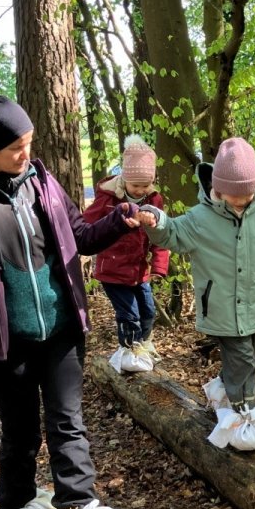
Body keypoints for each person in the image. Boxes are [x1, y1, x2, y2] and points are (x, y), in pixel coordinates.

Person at [0, 94, 147, 509]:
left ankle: (79, 503)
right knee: (22, 430)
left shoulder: (42, 181)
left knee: (68, 421)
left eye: (28, 143)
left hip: (62, 328)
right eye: (16, 148)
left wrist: (119, 219)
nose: (25, 154)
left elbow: (82, 237)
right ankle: (17, 504)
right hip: (5, 339)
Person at [140, 136, 255, 450]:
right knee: (242, 361)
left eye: (248, 194)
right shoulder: (200, 220)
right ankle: (244, 416)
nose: (242, 201)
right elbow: (172, 233)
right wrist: (156, 220)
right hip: (220, 308)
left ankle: (221, 390)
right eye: (235, 195)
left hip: (253, 309)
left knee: (247, 355)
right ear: (218, 187)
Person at [83, 134, 169, 367]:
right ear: (124, 179)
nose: (141, 190)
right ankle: (129, 352)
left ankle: (143, 344)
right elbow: (86, 226)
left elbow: (162, 234)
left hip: (139, 269)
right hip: (112, 269)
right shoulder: (108, 199)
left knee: (148, 311)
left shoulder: (154, 199)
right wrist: (114, 223)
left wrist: (159, 266)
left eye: (146, 185)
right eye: (136, 186)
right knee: (129, 315)